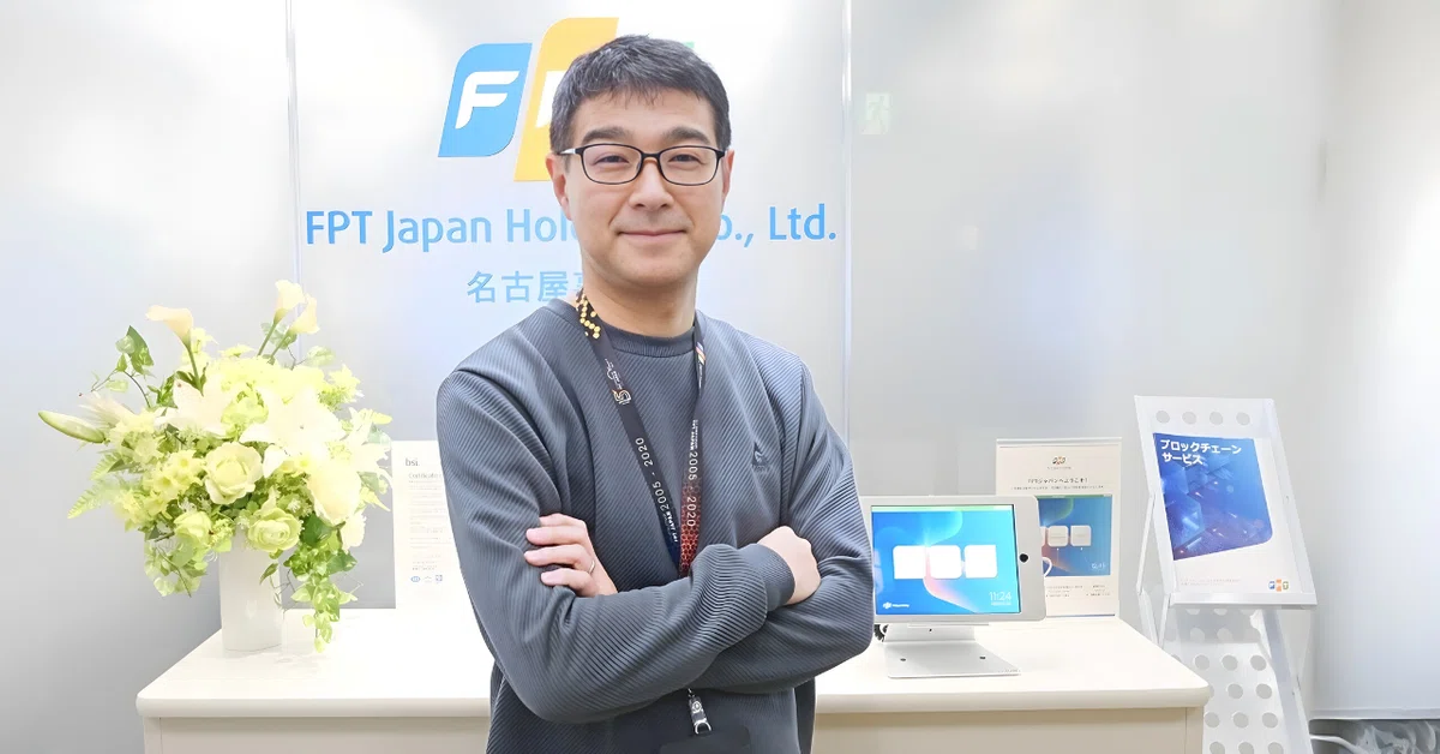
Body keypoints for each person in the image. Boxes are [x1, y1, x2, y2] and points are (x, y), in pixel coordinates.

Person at [435, 34, 874, 754]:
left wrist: (618, 625)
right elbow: (555, 670)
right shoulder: (496, 395)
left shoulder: (781, 385)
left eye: (684, 157)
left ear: (725, 177)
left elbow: (848, 612)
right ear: (560, 182)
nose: (650, 190)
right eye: (612, 158)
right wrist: (765, 573)